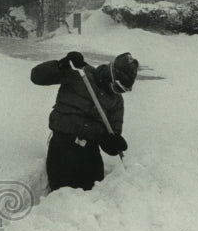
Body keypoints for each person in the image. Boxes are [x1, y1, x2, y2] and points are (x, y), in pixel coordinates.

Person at [30, 51, 138, 191]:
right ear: (110, 74)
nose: (118, 92)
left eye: (123, 90)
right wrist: (60, 65)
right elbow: (36, 77)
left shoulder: (117, 102)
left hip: (90, 153)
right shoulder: (79, 73)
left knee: (95, 197)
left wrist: (113, 142)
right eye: (117, 87)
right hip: (63, 146)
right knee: (62, 196)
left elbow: (110, 136)